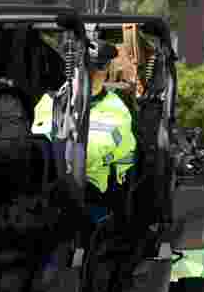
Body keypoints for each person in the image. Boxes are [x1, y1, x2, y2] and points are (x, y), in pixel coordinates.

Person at [32, 39, 136, 217]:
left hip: (94, 192)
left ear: (107, 71)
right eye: (87, 69)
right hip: (51, 188)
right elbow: (40, 147)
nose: (93, 75)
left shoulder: (116, 108)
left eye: (100, 69)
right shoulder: (51, 101)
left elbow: (95, 154)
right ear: (74, 69)